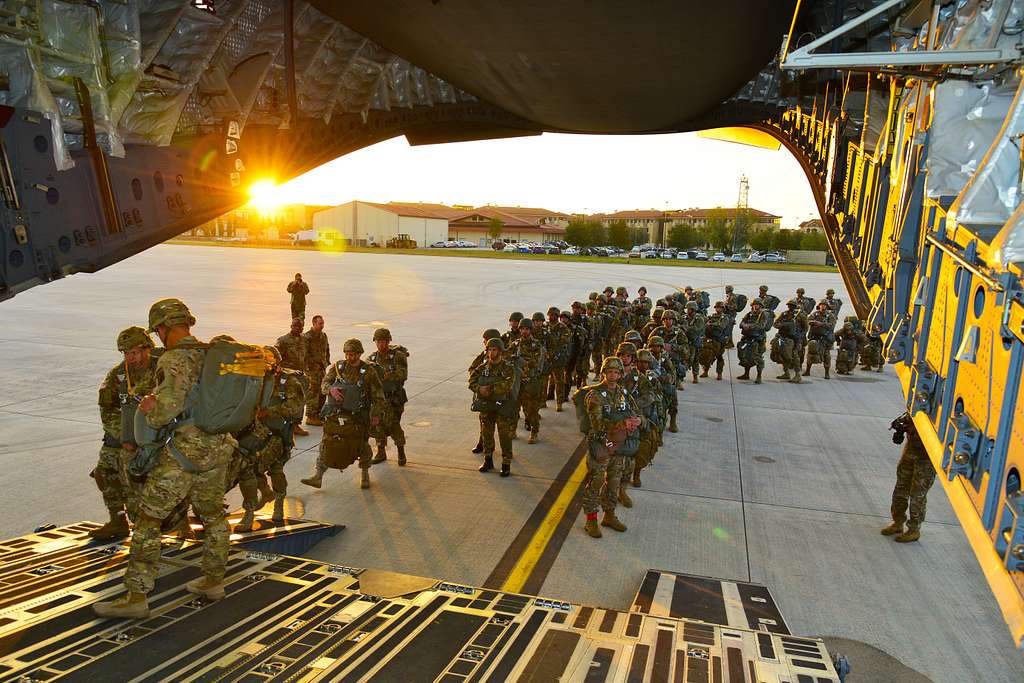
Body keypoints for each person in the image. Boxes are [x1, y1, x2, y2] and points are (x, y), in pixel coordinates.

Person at [94, 299, 235, 618]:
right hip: (218, 448)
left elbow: (165, 410)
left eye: (157, 331)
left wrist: (149, 408)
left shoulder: (174, 358)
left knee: (148, 519)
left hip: (185, 452)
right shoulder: (210, 353)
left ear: (163, 327)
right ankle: (213, 581)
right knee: (213, 515)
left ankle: (136, 598)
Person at [91, 326, 161, 539]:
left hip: (157, 433)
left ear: (147, 348)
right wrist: (123, 436)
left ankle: (174, 521)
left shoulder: (164, 368)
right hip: (126, 434)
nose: (130, 358)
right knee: (104, 472)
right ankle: (118, 521)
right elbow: (107, 407)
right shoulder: (118, 375)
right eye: (126, 353)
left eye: (134, 352)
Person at [233, 346, 304, 530]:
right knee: (245, 465)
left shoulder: (289, 383)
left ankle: (274, 504)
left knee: (272, 469)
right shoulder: (256, 380)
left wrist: (270, 411)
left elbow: (295, 407)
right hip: (254, 432)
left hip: (277, 434)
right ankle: (262, 495)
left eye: (269, 362)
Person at [301, 338, 384, 490]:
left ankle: (365, 474)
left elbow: (378, 395)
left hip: (358, 416)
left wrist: (376, 415)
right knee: (327, 442)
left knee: (362, 445)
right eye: (347, 354)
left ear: (359, 354)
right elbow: (324, 383)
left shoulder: (368, 371)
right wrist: (330, 389)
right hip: (335, 415)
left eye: (353, 355)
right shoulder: (338, 367)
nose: (350, 358)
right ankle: (318, 476)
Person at [580, 357, 641, 538]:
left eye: (616, 372)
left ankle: (609, 515)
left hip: (617, 444)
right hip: (601, 444)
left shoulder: (622, 393)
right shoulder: (596, 395)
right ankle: (591, 519)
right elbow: (597, 423)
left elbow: (634, 410)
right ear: (604, 373)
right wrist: (622, 423)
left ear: (621, 374)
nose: (613, 376)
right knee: (596, 482)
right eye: (610, 372)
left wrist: (637, 420)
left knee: (614, 481)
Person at [881, 414, 935, 543]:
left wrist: (912, 429)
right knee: (900, 488)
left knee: (918, 494)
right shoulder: (917, 404)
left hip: (927, 458)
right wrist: (902, 426)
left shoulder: (941, 411)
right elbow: (910, 417)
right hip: (910, 452)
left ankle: (914, 530)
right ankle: (898, 522)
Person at [469, 338, 518, 476]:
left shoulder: (508, 368)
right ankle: (488, 459)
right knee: (487, 434)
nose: (491, 352)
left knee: (504, 435)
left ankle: (506, 463)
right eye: (489, 350)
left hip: (502, 406)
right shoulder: (483, 368)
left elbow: (508, 385)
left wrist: (489, 389)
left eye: (494, 350)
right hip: (487, 406)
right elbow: (471, 380)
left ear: (500, 351)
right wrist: (479, 389)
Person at [369, 328, 409, 466]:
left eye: (384, 341)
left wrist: (388, 376)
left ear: (388, 341)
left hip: (394, 398)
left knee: (393, 425)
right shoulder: (372, 359)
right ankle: (381, 451)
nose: (381, 344)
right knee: (378, 425)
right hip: (379, 399)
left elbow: (403, 374)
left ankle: (401, 451)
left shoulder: (398, 356)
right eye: (378, 341)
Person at [631, 348, 664, 487]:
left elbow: (657, 397)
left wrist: (659, 419)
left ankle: (637, 473)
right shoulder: (630, 377)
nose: (643, 365)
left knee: (645, 448)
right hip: (632, 415)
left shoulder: (652, 378)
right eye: (640, 362)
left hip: (647, 415)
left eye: (646, 362)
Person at [512, 318, 546, 444]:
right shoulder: (515, 344)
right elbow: (508, 357)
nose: (524, 331)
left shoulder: (536, 345)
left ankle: (534, 432)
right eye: (522, 329)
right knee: (514, 408)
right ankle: (513, 430)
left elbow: (535, 363)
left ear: (530, 330)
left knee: (531, 410)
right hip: (517, 382)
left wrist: (521, 361)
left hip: (531, 382)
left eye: (526, 329)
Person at [470, 328, 503, 454]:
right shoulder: (484, 356)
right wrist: (479, 385)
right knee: (484, 421)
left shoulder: (503, 357)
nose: (484, 343)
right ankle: (483, 443)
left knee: (501, 426)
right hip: (484, 395)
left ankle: (506, 453)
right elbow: (472, 369)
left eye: (485, 340)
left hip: (498, 396)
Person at [275, 318, 309, 436]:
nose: (298, 328)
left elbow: (306, 356)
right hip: (288, 376)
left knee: (301, 399)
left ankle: (295, 424)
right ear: (291, 326)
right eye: (296, 326)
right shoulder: (283, 341)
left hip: (300, 374)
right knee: (289, 399)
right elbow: (276, 357)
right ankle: (286, 424)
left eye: (300, 327)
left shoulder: (304, 340)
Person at [302, 315, 330, 427]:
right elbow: (304, 354)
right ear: (314, 324)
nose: (322, 326)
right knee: (313, 393)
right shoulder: (307, 337)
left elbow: (327, 349)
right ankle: (311, 416)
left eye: (323, 323)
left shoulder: (323, 335)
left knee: (323, 391)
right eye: (320, 323)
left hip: (321, 369)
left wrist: (326, 361)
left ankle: (319, 414)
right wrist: (312, 365)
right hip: (312, 371)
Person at [647, 336, 678, 433]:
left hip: (662, 383)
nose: (655, 348)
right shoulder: (646, 357)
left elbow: (672, 374)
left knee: (672, 393)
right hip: (649, 384)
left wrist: (664, 378)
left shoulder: (665, 358)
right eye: (653, 346)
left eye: (658, 346)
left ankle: (673, 420)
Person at [544, 307, 572, 411]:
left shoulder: (563, 328)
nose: (552, 317)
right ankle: (544, 400)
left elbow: (565, 342)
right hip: (546, 358)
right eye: (550, 315)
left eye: (554, 315)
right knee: (544, 380)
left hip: (558, 358)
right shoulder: (545, 326)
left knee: (559, 381)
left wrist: (558, 353)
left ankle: (559, 402)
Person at [772, 299, 806, 383]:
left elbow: (805, 327)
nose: (790, 307)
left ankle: (798, 375)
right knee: (783, 354)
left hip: (794, 339)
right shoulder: (784, 314)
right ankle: (786, 373)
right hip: (783, 337)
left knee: (794, 356)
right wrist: (781, 326)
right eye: (789, 305)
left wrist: (800, 337)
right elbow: (775, 323)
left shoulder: (800, 315)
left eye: (792, 305)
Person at [736, 298, 769, 383]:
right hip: (747, 337)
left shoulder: (763, 314)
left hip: (758, 339)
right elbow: (741, 323)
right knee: (745, 355)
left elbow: (762, 325)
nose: (755, 306)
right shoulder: (750, 314)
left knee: (757, 357)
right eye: (754, 304)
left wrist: (749, 326)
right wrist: (744, 325)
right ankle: (746, 374)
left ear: (760, 305)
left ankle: (759, 376)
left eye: (757, 304)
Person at [804, 301, 835, 378]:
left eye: (824, 305)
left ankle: (827, 373)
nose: (823, 306)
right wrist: (814, 322)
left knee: (826, 355)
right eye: (821, 305)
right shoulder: (815, 314)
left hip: (824, 339)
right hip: (814, 337)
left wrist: (822, 324)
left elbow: (832, 325)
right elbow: (808, 321)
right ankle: (808, 371)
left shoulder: (830, 315)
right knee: (810, 354)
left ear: (827, 306)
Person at [700, 302, 730, 380]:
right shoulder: (713, 316)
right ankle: (705, 371)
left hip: (719, 339)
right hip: (710, 338)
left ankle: (719, 373)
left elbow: (721, 326)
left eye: (719, 307)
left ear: (723, 308)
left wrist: (712, 324)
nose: (718, 309)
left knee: (719, 356)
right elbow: (706, 323)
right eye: (716, 307)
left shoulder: (724, 317)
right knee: (707, 354)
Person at [678, 302, 705, 384]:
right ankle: (680, 378)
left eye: (689, 309)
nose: (687, 310)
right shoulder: (684, 317)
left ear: (693, 310)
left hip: (694, 342)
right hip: (685, 341)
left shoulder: (699, 319)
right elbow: (679, 324)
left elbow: (696, 329)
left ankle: (695, 376)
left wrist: (686, 328)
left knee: (695, 359)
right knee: (685, 360)